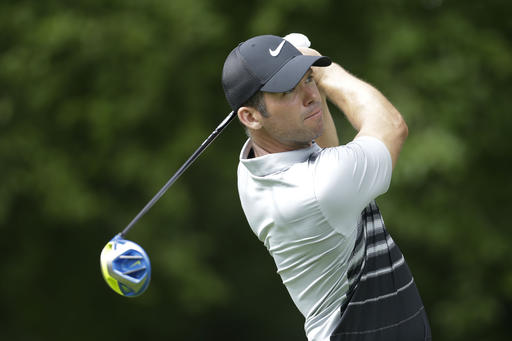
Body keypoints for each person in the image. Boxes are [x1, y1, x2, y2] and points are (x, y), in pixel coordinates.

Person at [221, 34, 431, 341]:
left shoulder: (258, 162)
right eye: (288, 91)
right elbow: (391, 126)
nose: (312, 95)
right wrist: (325, 70)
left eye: (308, 79)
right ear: (250, 117)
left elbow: (326, 148)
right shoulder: (318, 189)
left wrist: (298, 70)